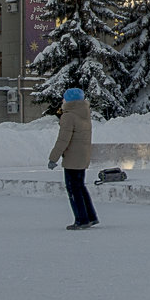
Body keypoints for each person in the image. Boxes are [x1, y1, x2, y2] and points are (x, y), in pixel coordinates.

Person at [48, 88, 98, 230]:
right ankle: (91, 217)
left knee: (73, 189)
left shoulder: (69, 116)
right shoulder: (84, 114)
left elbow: (63, 140)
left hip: (72, 158)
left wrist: (53, 158)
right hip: (83, 156)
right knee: (80, 187)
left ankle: (81, 220)